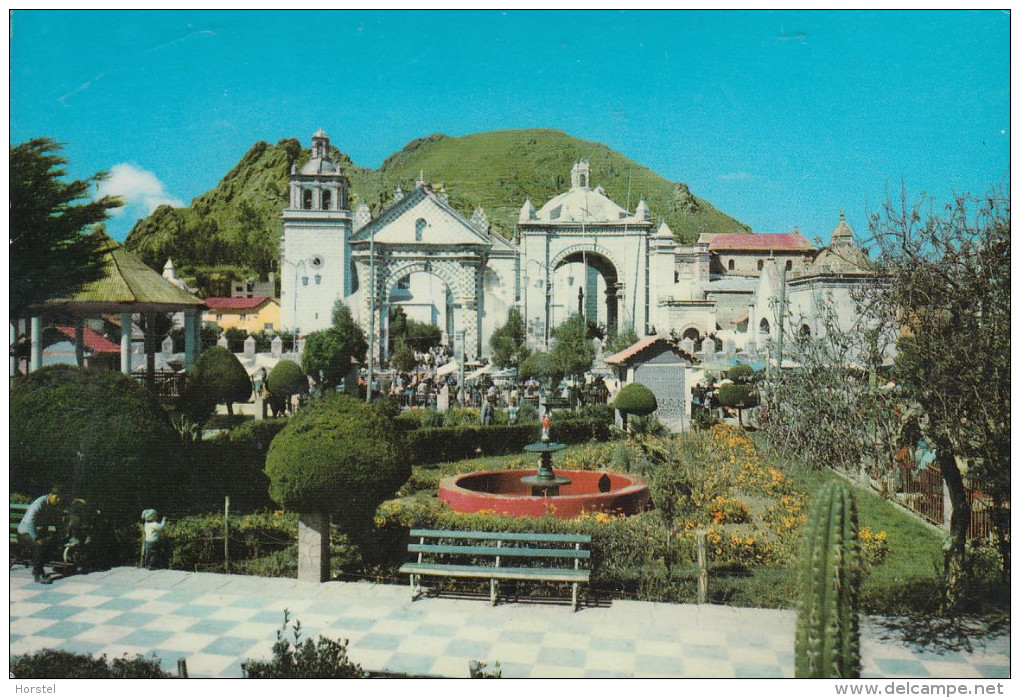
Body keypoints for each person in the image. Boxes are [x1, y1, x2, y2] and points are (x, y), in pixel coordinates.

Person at [17, 488, 64, 584]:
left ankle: (38, 569)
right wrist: (36, 538)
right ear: (50, 494)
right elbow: (30, 522)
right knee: (40, 545)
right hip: (25, 533)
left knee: (51, 542)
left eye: (60, 497)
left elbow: (57, 521)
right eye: (56, 496)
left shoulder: (53, 506)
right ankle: (38, 575)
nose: (58, 499)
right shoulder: (38, 503)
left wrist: (61, 533)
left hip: (40, 533)